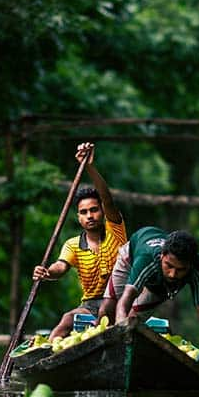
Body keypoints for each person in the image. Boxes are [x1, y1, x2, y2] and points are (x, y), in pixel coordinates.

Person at [98, 225, 199, 366]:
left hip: (158, 286)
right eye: (169, 265)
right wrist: (121, 332)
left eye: (181, 269)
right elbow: (125, 300)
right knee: (106, 311)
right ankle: (99, 351)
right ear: (162, 256)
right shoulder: (147, 259)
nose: (173, 274)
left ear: (190, 265)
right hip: (130, 259)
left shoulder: (197, 268)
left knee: (133, 321)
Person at [32, 142, 126, 341]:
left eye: (94, 210)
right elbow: (60, 266)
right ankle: (47, 353)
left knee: (107, 316)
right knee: (66, 320)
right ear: (79, 218)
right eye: (84, 212)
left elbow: (107, 199)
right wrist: (47, 272)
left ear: (102, 212)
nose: (90, 216)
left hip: (120, 302)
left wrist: (89, 166)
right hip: (90, 306)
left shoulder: (115, 231)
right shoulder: (73, 244)